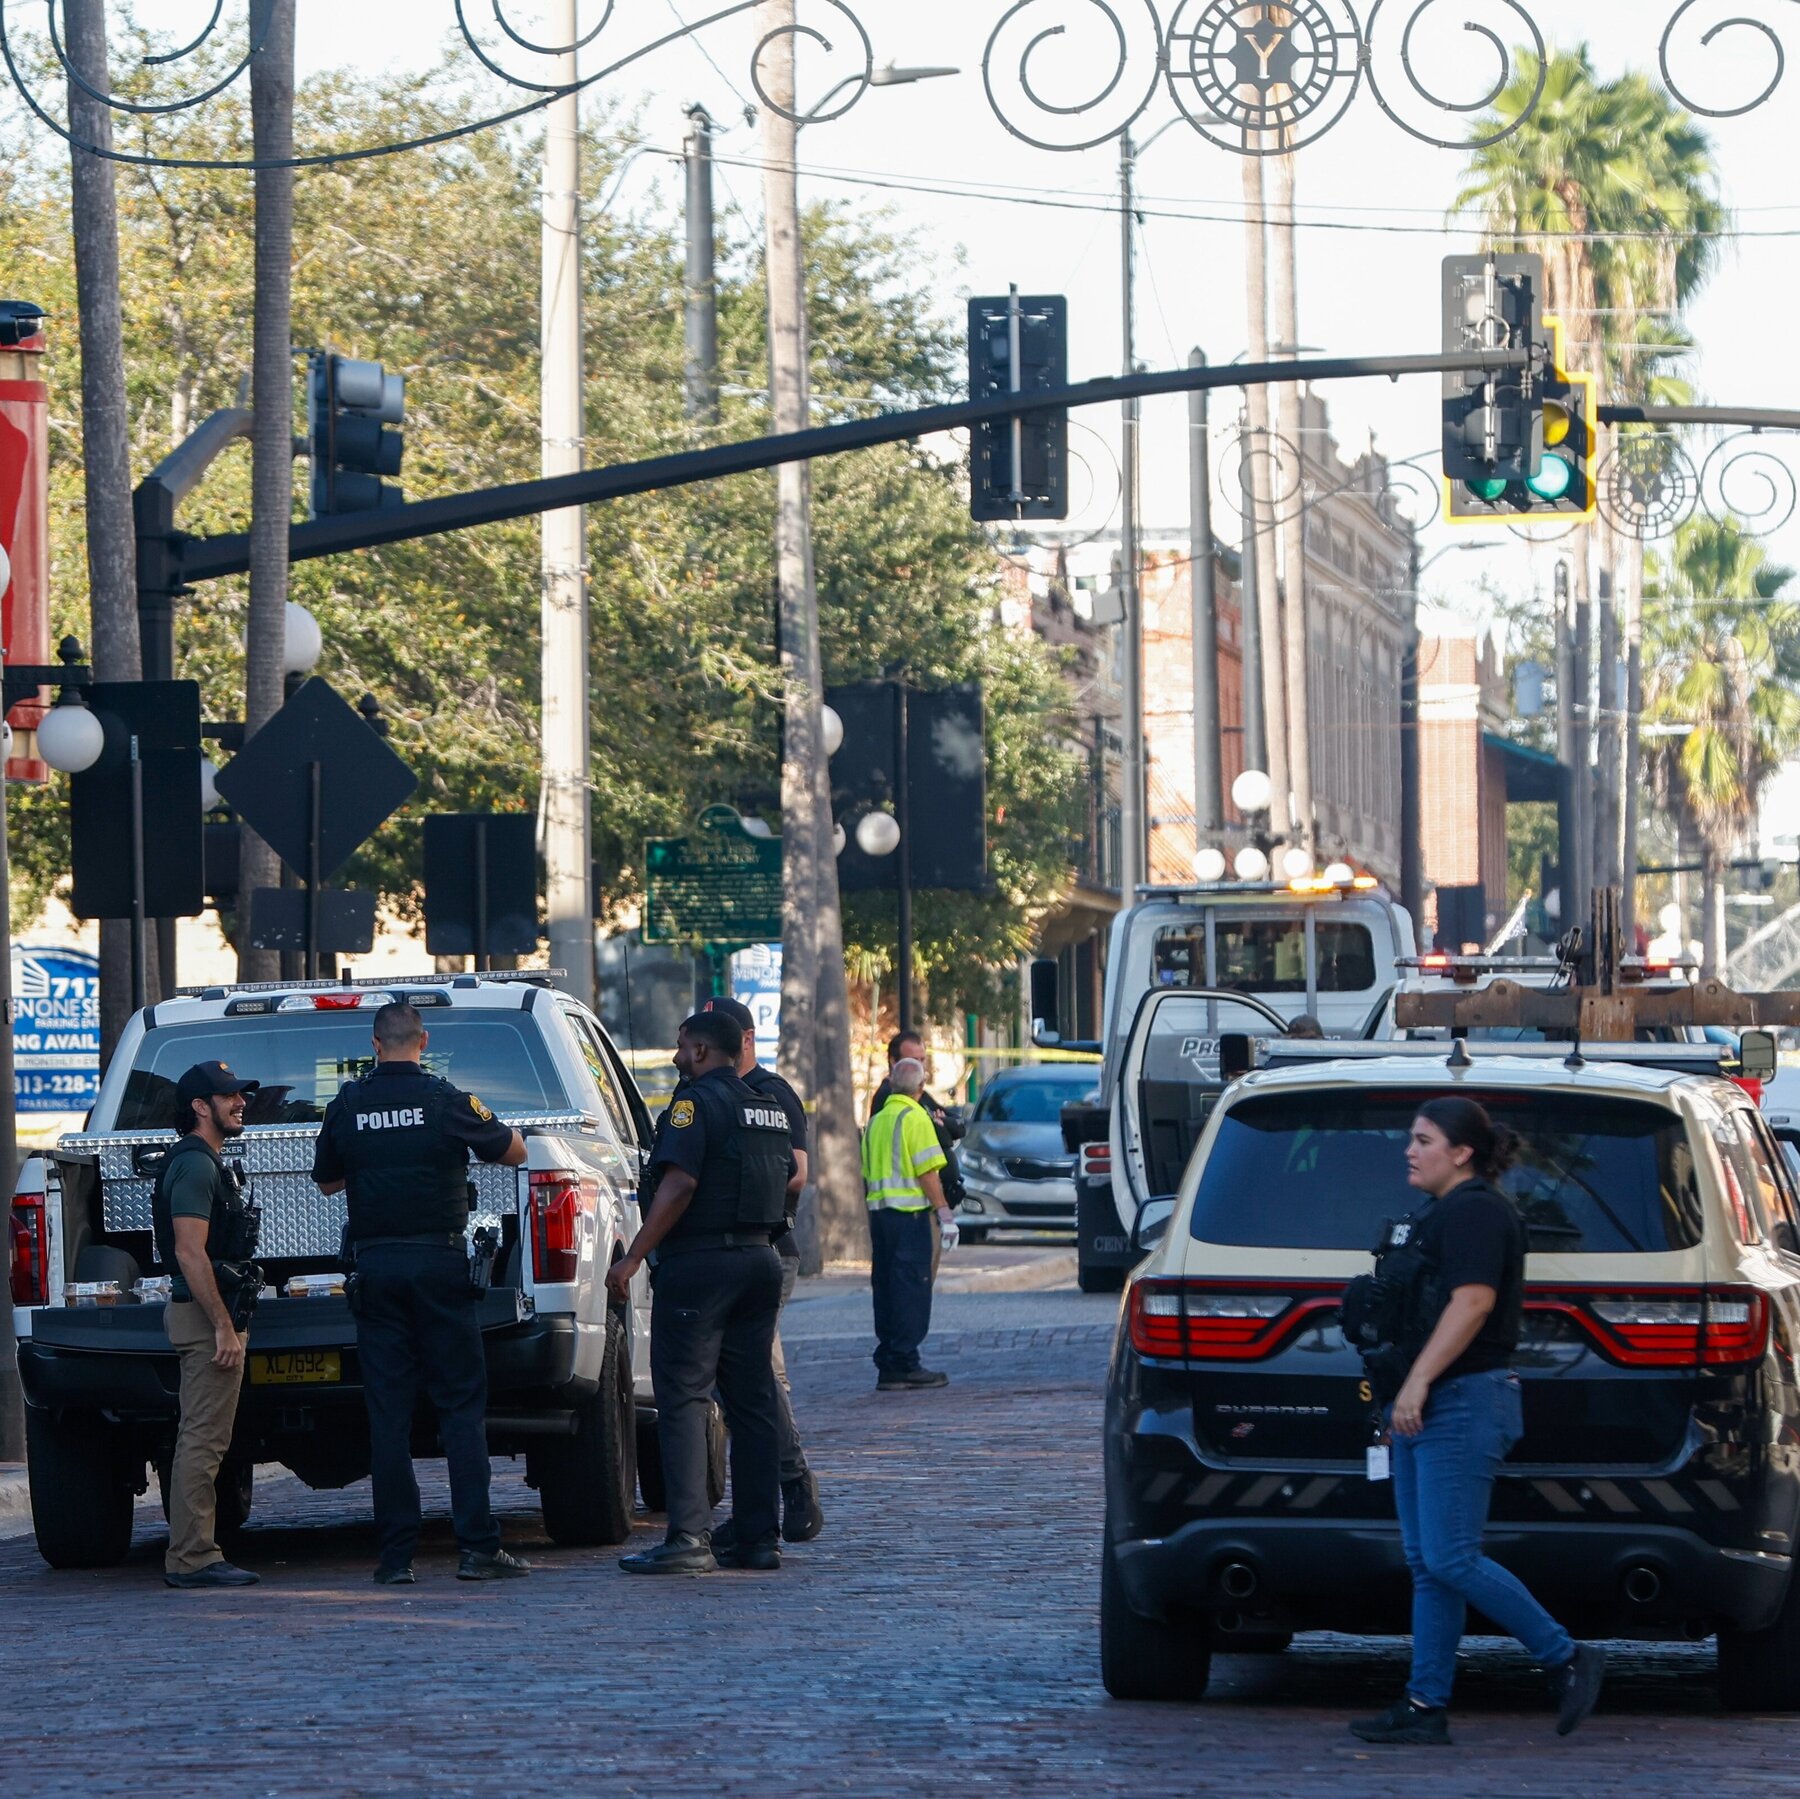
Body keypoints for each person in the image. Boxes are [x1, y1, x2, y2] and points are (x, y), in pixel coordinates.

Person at [1349, 1097, 1605, 1746]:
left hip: (1460, 1400)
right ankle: (1424, 1702)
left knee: (1451, 1555)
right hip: (1428, 1401)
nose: (1410, 1149)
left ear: (1461, 1151)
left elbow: (1472, 1302)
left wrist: (1418, 1381)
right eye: (1411, 1137)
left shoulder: (1477, 1212)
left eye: (1424, 1139)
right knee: (1428, 1561)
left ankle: (1566, 1656)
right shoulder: (1441, 1213)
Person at [311, 1002, 531, 1586]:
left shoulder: (349, 1103)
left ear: (375, 1045)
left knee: (388, 1415)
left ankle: (395, 1557)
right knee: (460, 1408)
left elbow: (328, 1180)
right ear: (423, 1041)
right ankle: (478, 1548)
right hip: (438, 1263)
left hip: (378, 1266)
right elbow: (514, 1151)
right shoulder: (447, 1099)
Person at [606, 1011, 791, 1575]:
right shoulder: (770, 1108)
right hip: (761, 1260)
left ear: (705, 1052)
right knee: (752, 1400)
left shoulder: (694, 1104)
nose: (675, 1056)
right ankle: (759, 1535)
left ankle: (688, 1538)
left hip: (701, 1263)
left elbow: (680, 1182)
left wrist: (635, 1254)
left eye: (683, 1046)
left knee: (684, 1396)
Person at [700, 997, 824, 1546]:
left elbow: (797, 1172)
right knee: (745, 1377)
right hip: (726, 1253)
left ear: (744, 1041)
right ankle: (773, 1496)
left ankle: (792, 1485)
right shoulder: (707, 1094)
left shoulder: (771, 1093)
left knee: (756, 1378)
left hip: (769, 1247)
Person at [152, 1061, 264, 1589]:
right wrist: (222, 1325)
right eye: (228, 1096)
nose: (240, 1102)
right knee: (203, 1439)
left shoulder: (204, 1162)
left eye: (240, 1094)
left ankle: (194, 1550)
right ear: (200, 1106)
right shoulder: (196, 1165)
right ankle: (193, 1556)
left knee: (205, 1437)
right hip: (202, 1317)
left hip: (205, 1313)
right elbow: (190, 1253)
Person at [863, 1057, 959, 1392]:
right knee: (911, 1290)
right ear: (920, 1088)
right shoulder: (916, 1117)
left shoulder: (876, 1120)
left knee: (887, 1290)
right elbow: (927, 1172)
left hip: (880, 1217)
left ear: (891, 1084)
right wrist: (944, 1212)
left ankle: (889, 1360)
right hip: (910, 1218)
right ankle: (906, 1363)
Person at [869, 1030, 967, 1212]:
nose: (920, 1067)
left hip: (922, 1203)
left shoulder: (919, 1094)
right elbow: (934, 1151)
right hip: (906, 1207)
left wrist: (943, 1125)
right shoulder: (889, 1098)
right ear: (893, 1062)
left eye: (923, 1060)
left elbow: (959, 1126)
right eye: (914, 1061)